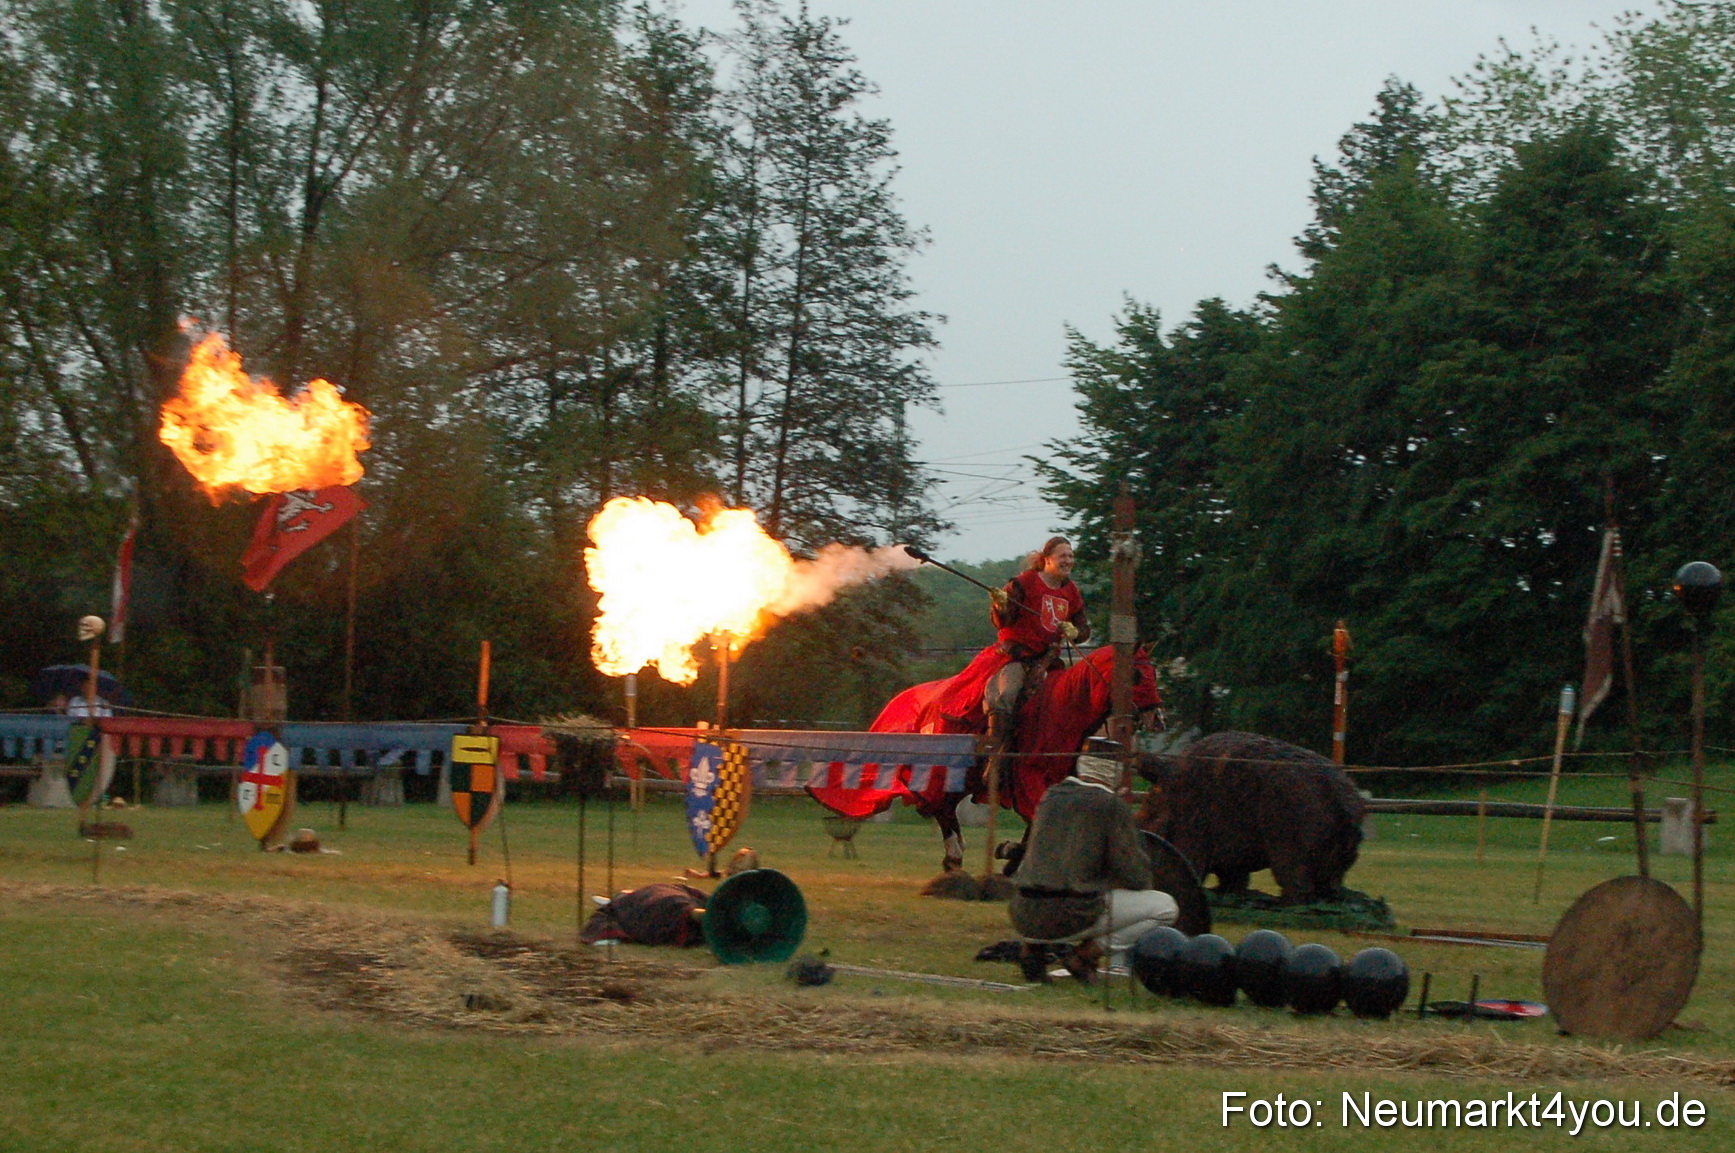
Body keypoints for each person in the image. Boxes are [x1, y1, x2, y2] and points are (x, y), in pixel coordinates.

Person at [1009, 755, 1177, 983]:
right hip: (1072, 915)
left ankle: (1033, 950)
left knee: (1050, 882)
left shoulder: (1052, 795)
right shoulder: (1110, 804)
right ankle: (1085, 955)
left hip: (1023, 912)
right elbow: (1133, 872)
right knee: (1165, 908)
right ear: (1115, 773)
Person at [983, 536, 1090, 746]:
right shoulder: (1023, 583)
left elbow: (1084, 629)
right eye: (1063, 556)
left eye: (1071, 556)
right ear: (1047, 559)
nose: (1068, 560)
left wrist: (1075, 632)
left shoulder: (1071, 591)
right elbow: (1002, 622)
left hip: (1049, 660)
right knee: (1007, 693)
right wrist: (1000, 606)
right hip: (1019, 655)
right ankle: (995, 749)